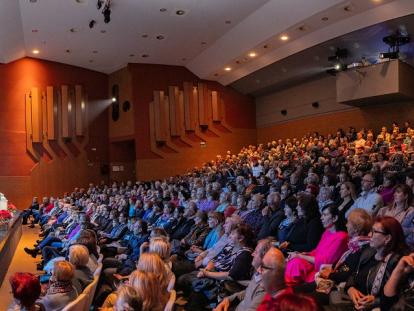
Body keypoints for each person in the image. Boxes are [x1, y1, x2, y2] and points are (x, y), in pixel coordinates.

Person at [345, 216, 407, 310]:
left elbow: (396, 297)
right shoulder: (368, 251)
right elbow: (354, 274)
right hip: (352, 302)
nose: (370, 235)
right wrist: (350, 288)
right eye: (371, 231)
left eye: (375, 232)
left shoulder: (395, 262)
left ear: (387, 238)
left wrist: (375, 301)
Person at [285, 204, 348, 285]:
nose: (321, 218)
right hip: (316, 264)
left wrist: (300, 256)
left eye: (325, 215)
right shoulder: (327, 232)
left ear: (335, 218)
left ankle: (287, 288)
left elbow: (325, 262)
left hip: (324, 271)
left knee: (296, 263)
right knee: (292, 260)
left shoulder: (342, 237)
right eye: (322, 215)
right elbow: (316, 251)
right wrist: (301, 254)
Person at [214, 238, 274, 311]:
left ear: (265, 258)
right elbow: (247, 293)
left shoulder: (265, 289)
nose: (252, 254)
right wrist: (228, 299)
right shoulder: (258, 273)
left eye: (256, 252)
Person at [377, 184, 414, 250]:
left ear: (406, 196)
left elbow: (410, 232)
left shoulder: (411, 211)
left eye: (398, 192)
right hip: (379, 241)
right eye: (394, 192)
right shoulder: (384, 210)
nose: (394, 194)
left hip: (396, 246)